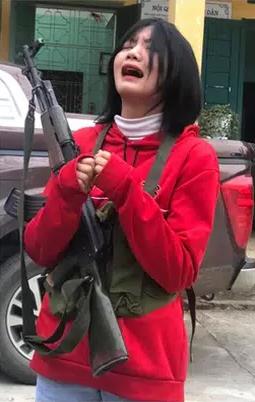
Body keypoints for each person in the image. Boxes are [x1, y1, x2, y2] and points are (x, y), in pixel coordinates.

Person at [24, 18, 218, 402]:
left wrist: (126, 189)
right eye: (128, 45)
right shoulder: (79, 144)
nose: (133, 53)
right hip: (63, 356)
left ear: (176, 73)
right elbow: (40, 249)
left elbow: (178, 271)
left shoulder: (194, 157)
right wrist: (66, 192)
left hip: (144, 370)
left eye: (150, 48)